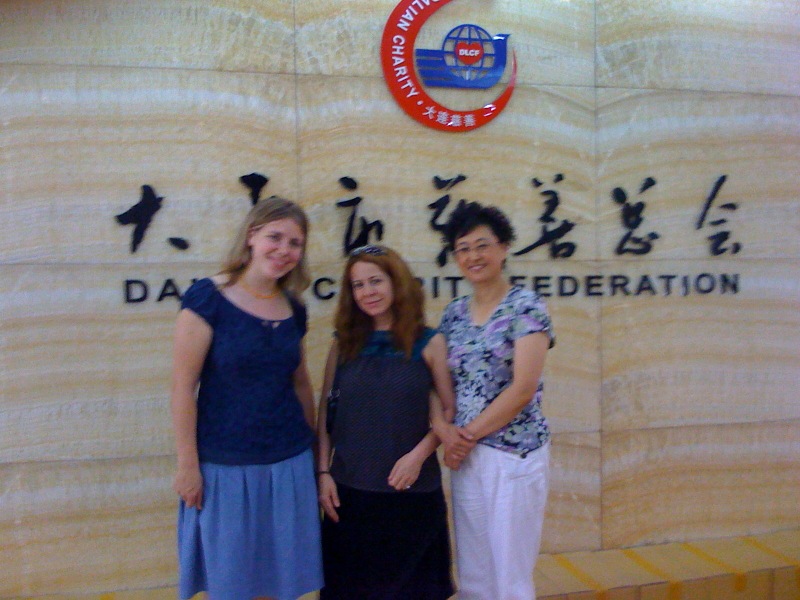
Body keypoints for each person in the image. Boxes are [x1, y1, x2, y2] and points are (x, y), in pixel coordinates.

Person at [170, 196, 323, 600]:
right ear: (252, 236)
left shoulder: (294, 307)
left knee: (279, 582)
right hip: (225, 466)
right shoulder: (208, 298)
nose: (284, 250)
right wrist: (188, 466)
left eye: (295, 243)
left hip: (288, 461)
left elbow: (301, 383)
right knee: (232, 585)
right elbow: (183, 388)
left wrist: (315, 448)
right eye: (275, 237)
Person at [316, 244, 456, 600]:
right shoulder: (343, 344)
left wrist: (418, 456)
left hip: (411, 494)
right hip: (350, 494)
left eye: (375, 281)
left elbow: (449, 411)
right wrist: (323, 473)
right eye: (358, 285)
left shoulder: (429, 341)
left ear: (397, 283)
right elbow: (325, 413)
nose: (367, 292)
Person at [434, 201, 555, 600]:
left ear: (503, 248)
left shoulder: (526, 307)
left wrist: (463, 436)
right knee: (474, 574)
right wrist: (447, 434)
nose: (473, 256)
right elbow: (437, 380)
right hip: (467, 458)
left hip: (512, 455)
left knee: (511, 576)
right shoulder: (453, 313)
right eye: (463, 248)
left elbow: (522, 389)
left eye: (482, 245)